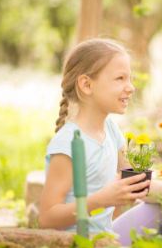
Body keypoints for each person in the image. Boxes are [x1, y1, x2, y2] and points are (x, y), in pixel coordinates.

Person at [39, 38, 151, 233]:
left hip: (105, 238)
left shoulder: (111, 130)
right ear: (87, 85)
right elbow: (47, 218)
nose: (131, 87)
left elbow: (136, 182)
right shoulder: (68, 143)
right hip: (76, 242)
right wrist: (100, 200)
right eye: (120, 78)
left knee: (159, 209)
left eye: (130, 79)